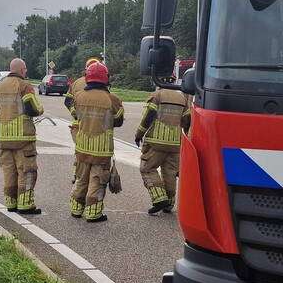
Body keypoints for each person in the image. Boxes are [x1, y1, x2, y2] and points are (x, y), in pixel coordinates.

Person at [0, 57, 44, 214]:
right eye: (24, 69)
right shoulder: (25, 86)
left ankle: (11, 204)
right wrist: (40, 110)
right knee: (27, 171)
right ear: (21, 70)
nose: (25, 72)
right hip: (23, 138)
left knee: (9, 172)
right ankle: (26, 205)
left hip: (4, 138)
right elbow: (32, 108)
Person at [69, 62, 124, 223]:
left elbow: (75, 114)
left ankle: (76, 209)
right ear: (105, 78)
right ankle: (93, 213)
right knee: (97, 181)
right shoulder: (112, 100)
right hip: (101, 150)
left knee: (81, 178)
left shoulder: (79, 97)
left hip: (82, 147)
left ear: (88, 78)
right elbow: (118, 121)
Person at [135, 77, 192, 215]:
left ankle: (159, 199)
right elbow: (187, 121)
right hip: (175, 144)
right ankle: (169, 204)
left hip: (156, 142)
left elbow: (148, 118)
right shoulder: (182, 99)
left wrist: (139, 134)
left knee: (147, 168)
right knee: (170, 173)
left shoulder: (156, 96)